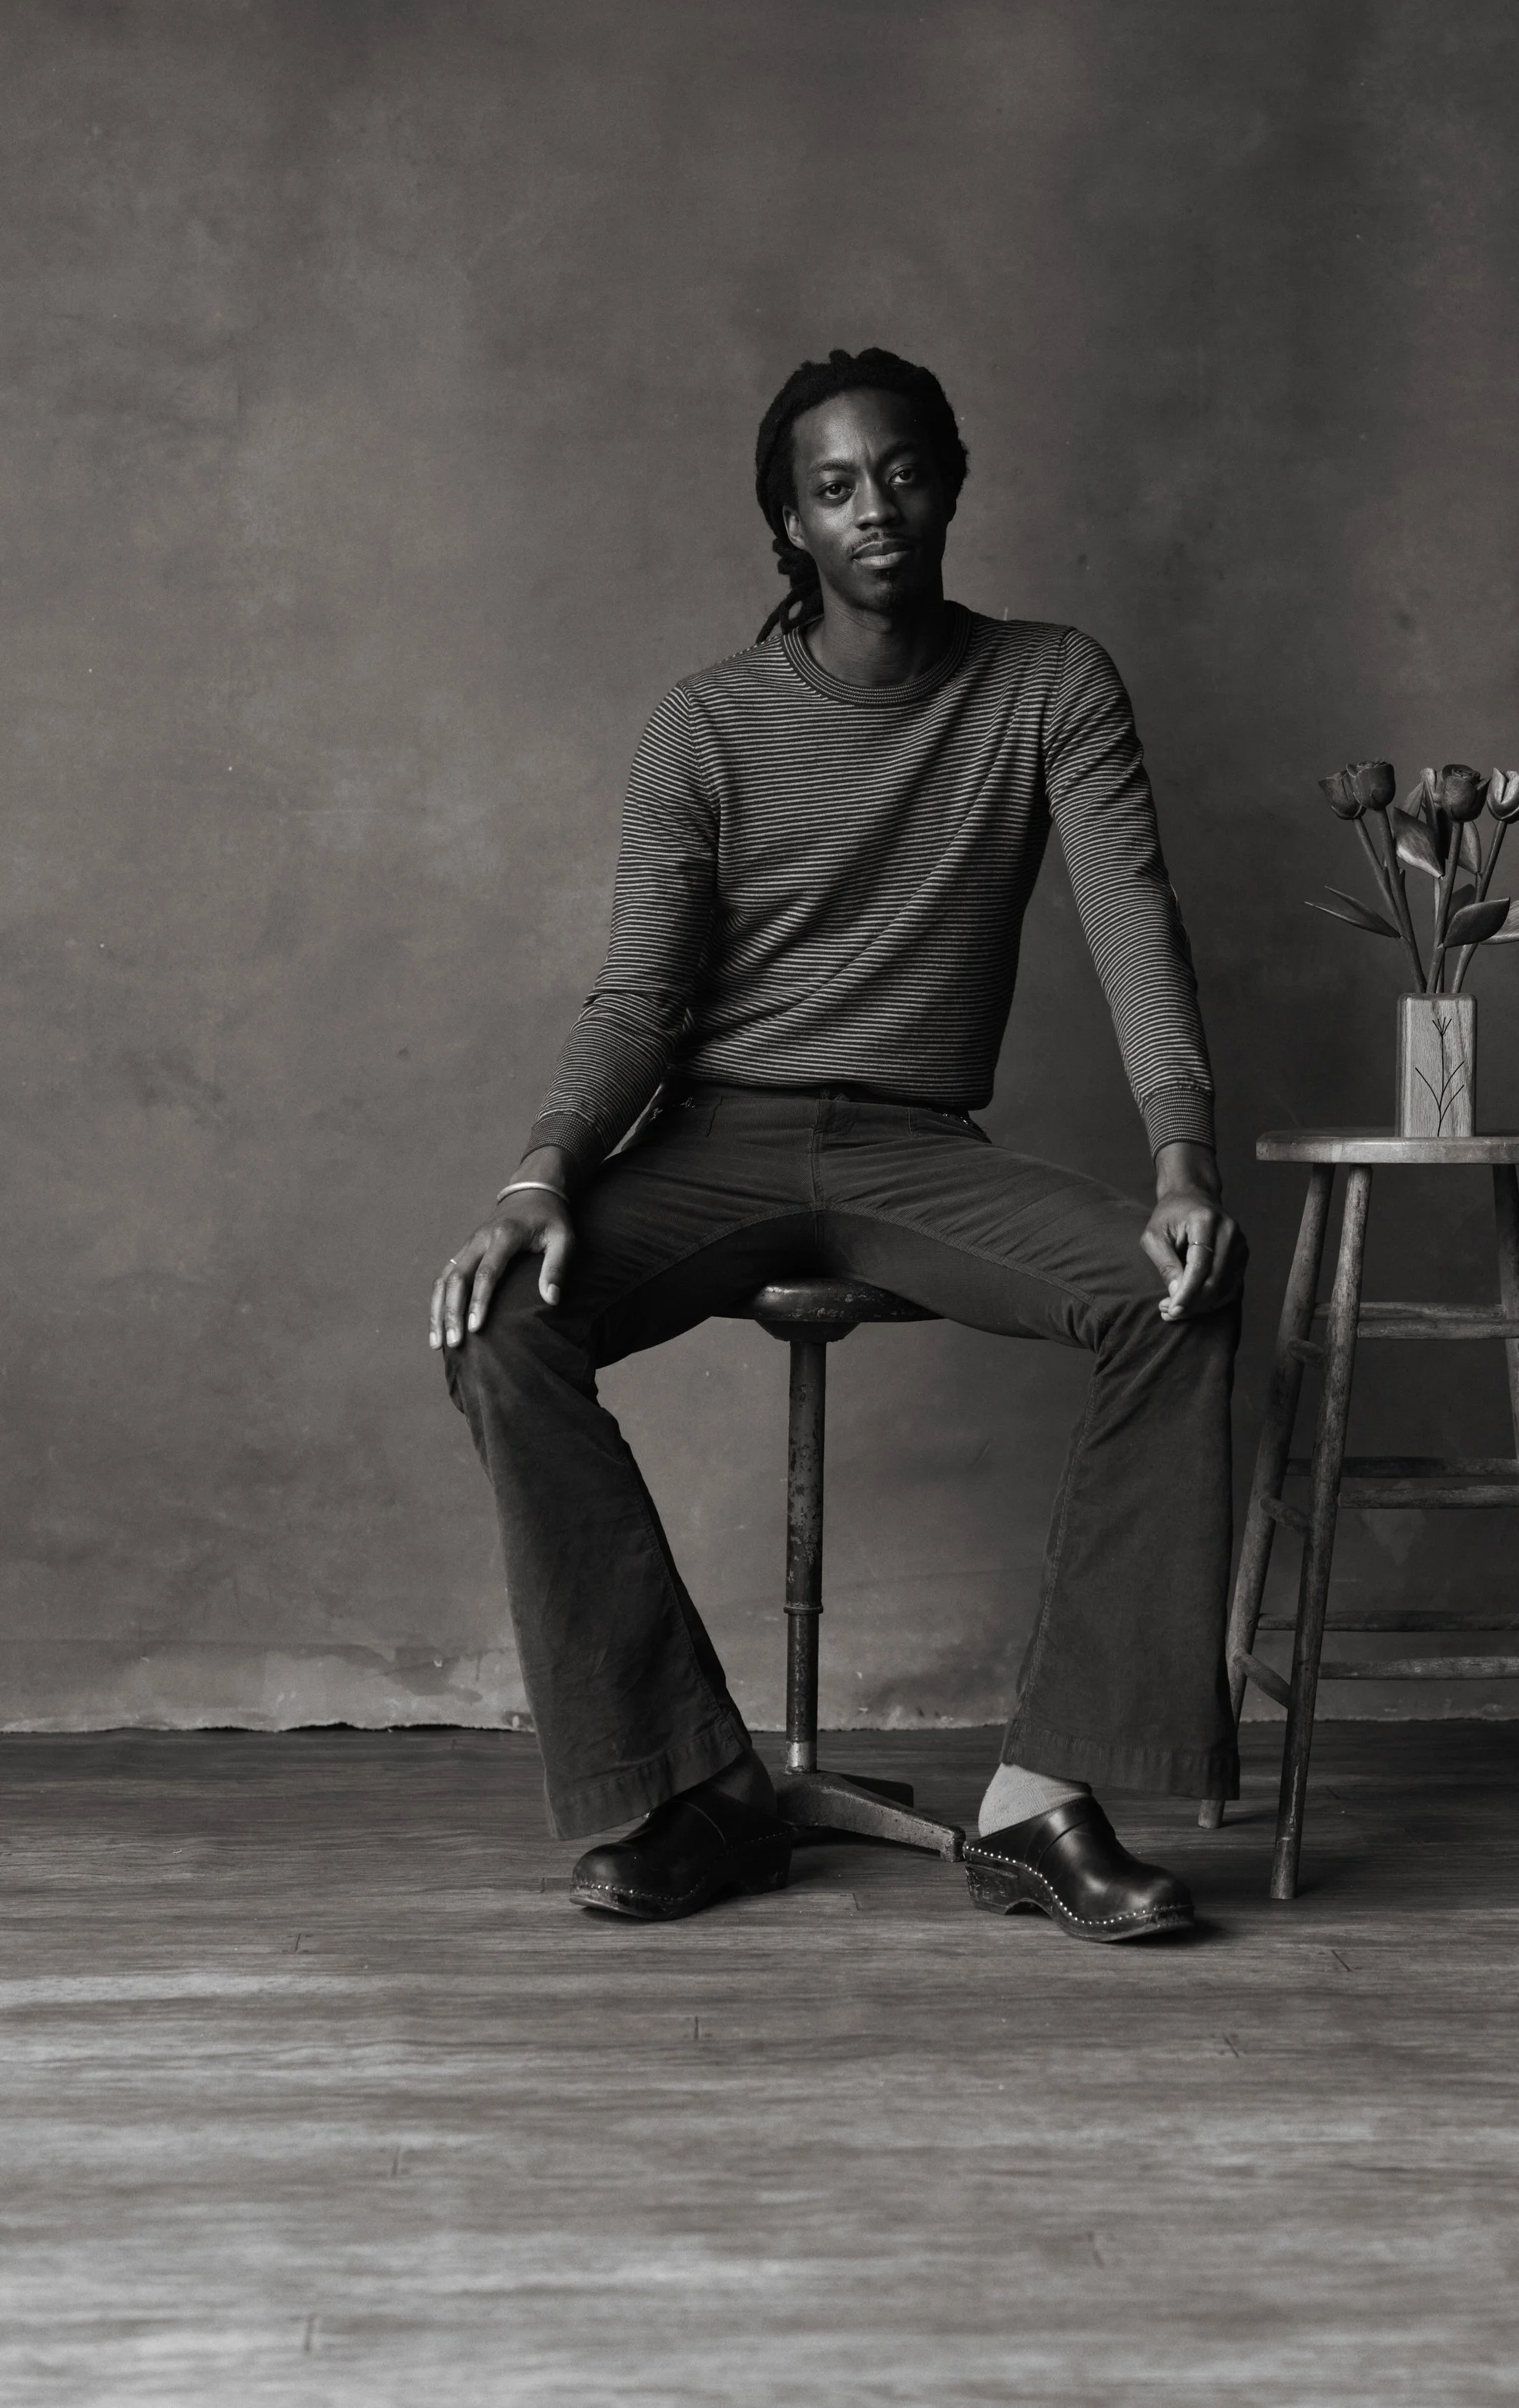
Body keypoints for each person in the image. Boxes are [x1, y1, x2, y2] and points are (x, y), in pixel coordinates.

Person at [434, 347, 1244, 1945]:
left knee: (1178, 1295)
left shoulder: (1049, 685)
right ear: (790, 526)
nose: (874, 507)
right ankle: (698, 1788)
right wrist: (539, 1177)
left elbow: (1132, 922)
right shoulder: (704, 724)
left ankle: (1040, 1802)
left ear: (949, 486)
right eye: (833, 487)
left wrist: (1184, 1158)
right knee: (503, 1325)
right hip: (715, 1141)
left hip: (913, 1151)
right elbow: (637, 996)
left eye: (901, 472)